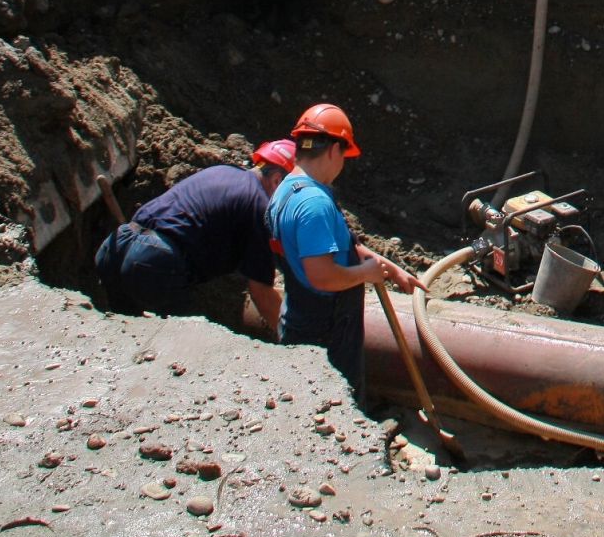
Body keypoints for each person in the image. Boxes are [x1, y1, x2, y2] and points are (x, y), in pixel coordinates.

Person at [268, 103, 421, 394]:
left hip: (300, 315)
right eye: (344, 155)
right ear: (333, 150)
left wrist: (392, 270)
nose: (342, 164)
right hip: (325, 328)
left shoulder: (287, 189)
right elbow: (322, 275)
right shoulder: (314, 204)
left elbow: (343, 246)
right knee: (335, 403)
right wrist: (365, 273)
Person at [94, 140, 294, 331]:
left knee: (127, 335)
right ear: (277, 180)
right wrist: (294, 342)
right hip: (154, 263)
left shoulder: (224, 172)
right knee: (183, 347)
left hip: (116, 247)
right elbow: (262, 293)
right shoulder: (259, 206)